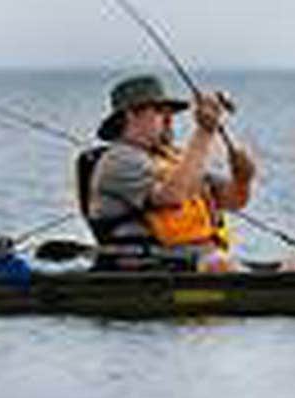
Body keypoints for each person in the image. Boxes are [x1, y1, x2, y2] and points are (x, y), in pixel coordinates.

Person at [85, 74, 258, 271]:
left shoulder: (174, 158)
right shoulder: (119, 160)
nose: (169, 120)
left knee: (290, 265)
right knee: (224, 266)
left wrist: (243, 178)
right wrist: (204, 132)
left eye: (171, 113)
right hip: (151, 269)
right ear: (131, 115)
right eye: (159, 111)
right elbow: (172, 196)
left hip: (198, 262)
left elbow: (233, 200)